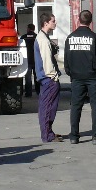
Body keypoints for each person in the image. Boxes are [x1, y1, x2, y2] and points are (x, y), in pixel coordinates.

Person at [64, 10, 96, 144]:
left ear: (79, 20)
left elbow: (66, 60)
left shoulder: (70, 38)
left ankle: (74, 136)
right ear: (90, 21)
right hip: (94, 77)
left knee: (76, 106)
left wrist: (71, 73)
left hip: (77, 77)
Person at [34, 12, 63, 143]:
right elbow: (47, 62)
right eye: (53, 21)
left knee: (48, 107)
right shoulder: (43, 40)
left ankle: (48, 132)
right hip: (49, 79)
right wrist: (53, 76)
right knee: (47, 108)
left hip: (46, 79)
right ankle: (47, 135)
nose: (55, 23)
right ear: (46, 23)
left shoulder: (43, 37)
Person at [21, 23, 37, 97]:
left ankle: (28, 93)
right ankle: (38, 91)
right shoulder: (37, 37)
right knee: (37, 77)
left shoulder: (23, 37)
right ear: (33, 29)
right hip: (36, 60)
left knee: (28, 78)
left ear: (28, 29)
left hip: (27, 60)